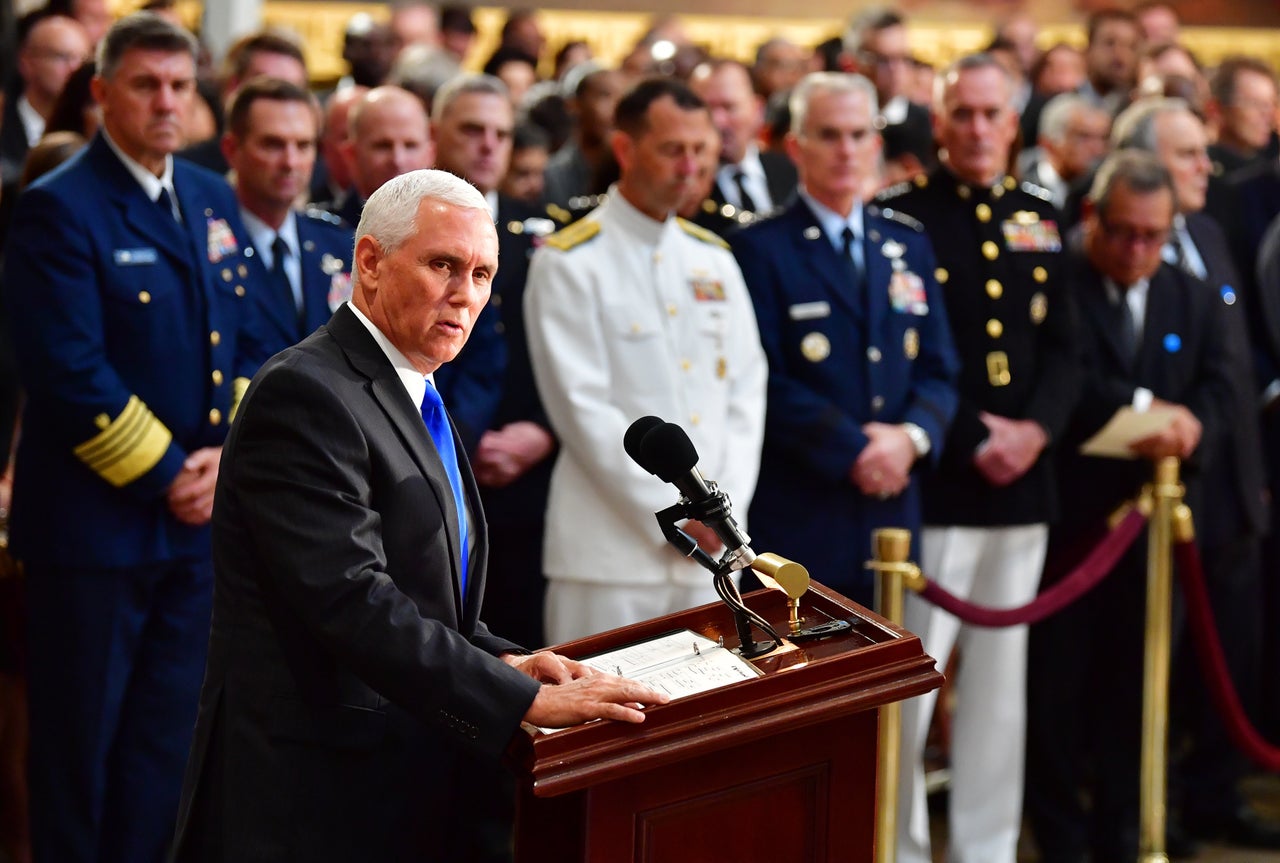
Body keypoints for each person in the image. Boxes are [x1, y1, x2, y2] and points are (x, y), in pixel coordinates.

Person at [171, 168, 665, 861]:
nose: (465, 295)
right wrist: (515, 701)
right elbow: (352, 599)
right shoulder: (306, 393)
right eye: (444, 265)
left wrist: (514, 662)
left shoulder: (414, 389)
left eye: (483, 273)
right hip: (311, 799)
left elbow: (432, 602)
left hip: (403, 782)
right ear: (369, 262)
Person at [1, 13, 269, 862]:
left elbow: (250, 340)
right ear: (102, 92)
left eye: (180, 86)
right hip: (94, 532)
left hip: (193, 534)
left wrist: (227, 456)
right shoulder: (60, 206)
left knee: (164, 749)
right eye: (147, 85)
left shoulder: (210, 194)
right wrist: (169, 474)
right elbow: (68, 371)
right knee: (81, 756)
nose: (165, 102)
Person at [878, 52, 1081, 863]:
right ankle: (897, 844)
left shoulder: (1038, 212)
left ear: (1013, 122)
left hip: (1024, 484)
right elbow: (904, 353)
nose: (977, 129)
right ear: (939, 121)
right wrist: (973, 436)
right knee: (915, 688)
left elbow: (1066, 346)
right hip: (943, 480)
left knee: (1000, 690)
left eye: (993, 115)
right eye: (962, 114)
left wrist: (1035, 431)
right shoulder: (902, 217)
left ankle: (986, 848)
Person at [1026, 149, 1233, 863]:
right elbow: (1065, 382)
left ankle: (1124, 831)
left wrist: (1193, 425)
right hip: (1072, 524)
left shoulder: (1192, 294)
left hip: (1155, 529)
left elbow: (1220, 381)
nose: (1137, 250)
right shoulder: (1058, 281)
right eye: (1123, 233)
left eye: (1153, 236)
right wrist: (1148, 411)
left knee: (1136, 687)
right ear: (1092, 218)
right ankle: (1059, 835)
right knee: (1057, 690)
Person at [525, 78, 767, 644]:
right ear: (626, 149)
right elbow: (583, 411)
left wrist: (719, 511)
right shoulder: (570, 262)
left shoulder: (714, 260)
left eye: (700, 149)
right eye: (672, 149)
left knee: (714, 728)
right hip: (610, 556)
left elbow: (746, 397)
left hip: (714, 556)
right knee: (598, 727)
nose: (689, 166)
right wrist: (680, 514)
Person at [729, 71, 958, 606]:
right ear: (795, 146)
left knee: (889, 684)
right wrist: (854, 449)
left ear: (876, 145)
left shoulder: (906, 244)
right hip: (804, 508)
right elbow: (761, 378)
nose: (846, 150)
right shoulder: (759, 249)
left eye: (858, 135)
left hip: (892, 508)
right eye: (829, 135)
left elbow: (940, 367)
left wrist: (910, 439)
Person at [430, 73, 557, 650]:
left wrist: (547, 432)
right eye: (472, 130)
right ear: (436, 136)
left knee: (525, 650)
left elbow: (570, 354)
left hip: (531, 479)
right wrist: (457, 442)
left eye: (500, 133)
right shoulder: (404, 231)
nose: (488, 145)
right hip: (435, 466)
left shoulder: (547, 237)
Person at [222, 77, 354, 355]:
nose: (290, 163)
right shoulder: (206, 245)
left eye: (303, 145)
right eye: (273, 145)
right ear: (232, 150)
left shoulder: (337, 243)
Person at [689, 59, 797, 221]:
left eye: (729, 107)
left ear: (757, 109)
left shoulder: (792, 173)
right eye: (707, 109)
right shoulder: (683, 185)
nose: (719, 121)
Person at [322, 84, 434, 226]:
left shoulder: (451, 230)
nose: (398, 160)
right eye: (383, 146)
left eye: (410, 145)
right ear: (351, 155)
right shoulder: (324, 233)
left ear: (430, 153)